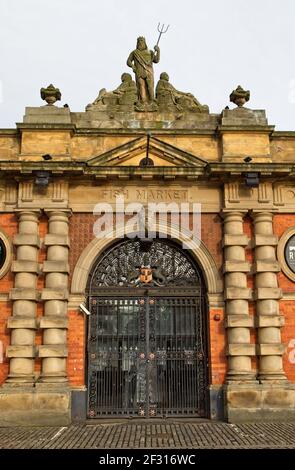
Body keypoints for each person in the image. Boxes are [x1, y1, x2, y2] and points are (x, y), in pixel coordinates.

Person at [127, 36, 160, 109]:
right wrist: (133, 67)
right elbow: (128, 61)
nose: (140, 42)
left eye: (142, 41)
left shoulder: (150, 52)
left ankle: (152, 101)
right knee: (141, 86)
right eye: (139, 41)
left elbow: (156, 60)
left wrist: (158, 51)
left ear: (145, 42)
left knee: (150, 86)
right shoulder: (134, 52)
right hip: (139, 72)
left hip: (149, 72)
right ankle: (143, 102)